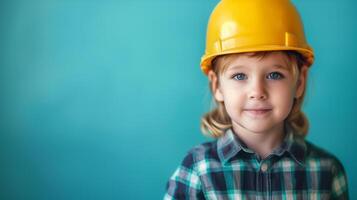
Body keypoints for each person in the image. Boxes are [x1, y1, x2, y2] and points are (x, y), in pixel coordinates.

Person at [164, 0, 349, 199]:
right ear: (217, 86)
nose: (257, 91)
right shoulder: (197, 171)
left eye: (274, 75)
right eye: (239, 76)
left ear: (300, 82)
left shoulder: (327, 171)